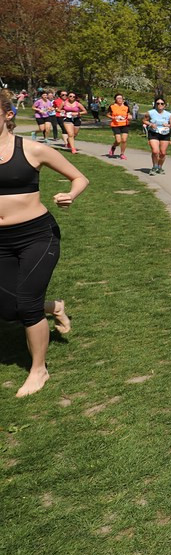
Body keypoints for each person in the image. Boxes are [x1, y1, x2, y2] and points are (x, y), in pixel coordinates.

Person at [0, 89, 88, 397]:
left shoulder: (33, 150)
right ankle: (54, 307)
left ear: (8, 115)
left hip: (37, 235)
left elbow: (80, 178)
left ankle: (39, 370)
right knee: (8, 310)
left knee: (25, 304)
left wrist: (70, 195)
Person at [142, 97, 171, 174]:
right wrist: (151, 124)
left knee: (163, 153)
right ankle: (154, 167)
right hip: (153, 133)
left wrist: (168, 125)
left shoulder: (168, 115)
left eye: (161, 103)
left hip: (165, 134)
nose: (160, 105)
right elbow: (144, 120)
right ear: (155, 104)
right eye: (158, 103)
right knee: (155, 151)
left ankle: (160, 167)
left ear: (164, 105)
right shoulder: (150, 112)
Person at [106, 93, 132, 159]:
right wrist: (113, 118)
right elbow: (108, 114)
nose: (120, 99)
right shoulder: (112, 106)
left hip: (125, 124)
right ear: (115, 99)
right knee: (118, 140)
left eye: (121, 98)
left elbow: (129, 115)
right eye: (118, 98)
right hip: (115, 125)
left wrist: (129, 117)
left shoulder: (126, 107)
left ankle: (122, 154)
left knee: (124, 140)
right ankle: (113, 148)